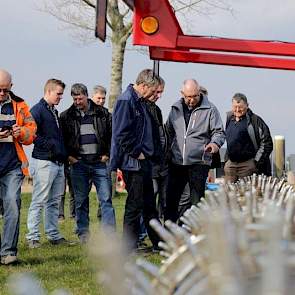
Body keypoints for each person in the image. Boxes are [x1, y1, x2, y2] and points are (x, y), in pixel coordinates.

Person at [110, 69, 161, 252]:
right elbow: (121, 133)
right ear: (144, 86)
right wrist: (136, 152)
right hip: (134, 162)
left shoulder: (139, 101)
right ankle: (128, 247)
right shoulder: (126, 101)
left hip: (142, 161)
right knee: (135, 205)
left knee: (148, 205)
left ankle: (158, 243)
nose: (154, 95)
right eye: (153, 90)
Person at [60, 83, 115, 243]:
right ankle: (83, 234)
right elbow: (62, 140)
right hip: (79, 164)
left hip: (99, 163)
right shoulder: (66, 116)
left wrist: (107, 154)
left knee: (105, 199)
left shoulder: (102, 113)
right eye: (75, 99)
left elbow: (112, 136)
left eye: (80, 98)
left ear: (86, 96)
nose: (77, 101)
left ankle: (109, 235)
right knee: (81, 200)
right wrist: (69, 157)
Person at [165, 79, 225, 223]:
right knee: (172, 199)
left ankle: (195, 234)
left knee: (196, 200)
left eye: (195, 96)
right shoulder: (175, 109)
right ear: (182, 94)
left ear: (199, 93)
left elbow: (219, 132)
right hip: (177, 161)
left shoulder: (210, 109)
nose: (191, 100)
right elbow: (168, 132)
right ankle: (168, 235)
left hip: (199, 161)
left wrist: (214, 144)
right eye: (188, 97)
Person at [26, 78, 68, 249]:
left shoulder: (53, 111)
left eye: (61, 94)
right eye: (58, 94)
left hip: (57, 163)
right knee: (39, 200)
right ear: (48, 91)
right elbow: (30, 134)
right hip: (44, 161)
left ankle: (53, 235)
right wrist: (50, 145)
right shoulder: (37, 110)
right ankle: (32, 237)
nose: (60, 97)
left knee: (54, 201)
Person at [0, 69, 37, 264]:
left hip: (12, 166)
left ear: (11, 87)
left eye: (5, 90)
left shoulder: (21, 106)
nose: (1, 94)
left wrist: (20, 131)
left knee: (13, 205)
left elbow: (32, 133)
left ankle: (8, 253)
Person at [224, 93, 273, 182]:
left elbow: (267, 143)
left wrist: (256, 162)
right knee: (228, 194)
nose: (237, 110)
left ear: (247, 105)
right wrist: (226, 160)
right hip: (231, 165)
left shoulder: (255, 120)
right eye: (235, 107)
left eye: (240, 107)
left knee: (246, 193)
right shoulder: (229, 119)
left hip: (248, 165)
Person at [145, 77, 168, 219]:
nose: (159, 96)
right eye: (157, 92)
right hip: (147, 162)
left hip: (160, 162)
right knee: (149, 197)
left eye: (161, 92)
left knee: (162, 199)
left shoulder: (156, 109)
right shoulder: (141, 107)